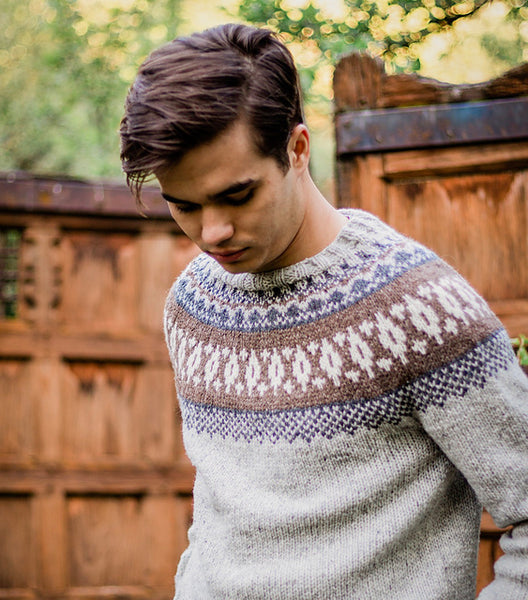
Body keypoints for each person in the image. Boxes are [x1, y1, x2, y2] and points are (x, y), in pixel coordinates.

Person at [120, 23, 528, 600]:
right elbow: (219, 516)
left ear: (297, 149)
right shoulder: (192, 303)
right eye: (183, 205)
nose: (212, 232)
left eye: (237, 196)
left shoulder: (418, 308)